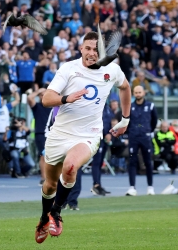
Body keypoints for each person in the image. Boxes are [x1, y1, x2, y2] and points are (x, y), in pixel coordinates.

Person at [35, 31, 132, 244]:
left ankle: (57, 213)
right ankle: (44, 218)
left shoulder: (112, 70)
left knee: (70, 167)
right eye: (87, 48)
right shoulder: (69, 69)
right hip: (59, 134)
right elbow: (46, 99)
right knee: (50, 184)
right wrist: (67, 98)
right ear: (81, 49)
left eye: (96, 49)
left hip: (88, 135)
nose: (91, 53)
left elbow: (125, 87)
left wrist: (125, 119)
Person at [125, 85, 158, 196]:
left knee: (148, 162)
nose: (138, 94)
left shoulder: (151, 106)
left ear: (144, 92)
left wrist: (148, 130)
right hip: (133, 137)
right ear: (133, 94)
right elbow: (126, 121)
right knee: (132, 162)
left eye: (139, 92)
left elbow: (154, 121)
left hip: (145, 137)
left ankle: (150, 187)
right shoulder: (130, 106)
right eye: (136, 92)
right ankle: (132, 187)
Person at [91, 100, 120, 196]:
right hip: (98, 138)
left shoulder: (107, 108)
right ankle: (96, 185)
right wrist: (106, 133)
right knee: (96, 162)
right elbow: (99, 122)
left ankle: (98, 184)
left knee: (99, 163)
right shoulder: (98, 106)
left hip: (105, 139)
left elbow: (110, 122)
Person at [27, 88, 52, 185]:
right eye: (41, 95)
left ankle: (51, 177)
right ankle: (43, 178)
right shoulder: (37, 106)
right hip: (41, 133)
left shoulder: (53, 106)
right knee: (44, 155)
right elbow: (29, 98)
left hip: (52, 133)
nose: (43, 96)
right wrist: (38, 91)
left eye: (44, 94)